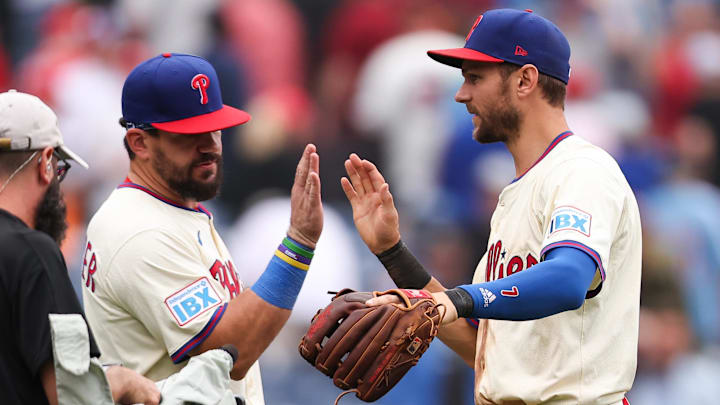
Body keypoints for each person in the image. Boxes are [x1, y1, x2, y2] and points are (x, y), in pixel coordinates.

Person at [341, 9, 641, 405]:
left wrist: (461, 298)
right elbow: (482, 353)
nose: (461, 94)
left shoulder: (581, 170)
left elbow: (569, 278)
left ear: (525, 79)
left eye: (475, 77)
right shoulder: (519, 191)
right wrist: (391, 252)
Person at [81, 53, 323, 405]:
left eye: (214, 127)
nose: (209, 145)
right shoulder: (139, 230)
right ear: (140, 143)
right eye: (189, 134)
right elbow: (229, 353)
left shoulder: (170, 208)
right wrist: (298, 244)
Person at [0, 90, 161, 405]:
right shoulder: (32, 252)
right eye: (61, 169)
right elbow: (71, 394)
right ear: (47, 162)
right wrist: (125, 381)